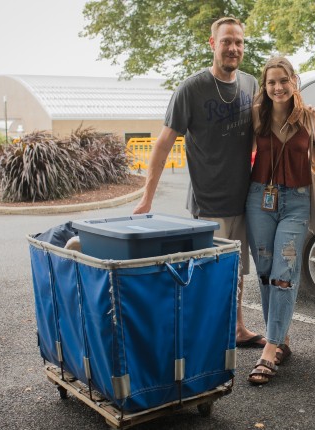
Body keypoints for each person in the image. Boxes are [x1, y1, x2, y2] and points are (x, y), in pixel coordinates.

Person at [132, 17, 265, 348]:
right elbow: (163, 144)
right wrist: (147, 197)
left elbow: (261, 134)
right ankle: (202, 339)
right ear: (212, 44)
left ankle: (237, 328)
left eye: (238, 42)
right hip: (209, 202)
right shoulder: (190, 89)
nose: (233, 48)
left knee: (236, 272)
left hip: (244, 199)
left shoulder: (250, 84)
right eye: (226, 42)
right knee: (207, 275)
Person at [245, 57, 315, 385]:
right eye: (272, 81)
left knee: (284, 274)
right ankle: (281, 339)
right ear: (266, 85)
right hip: (260, 199)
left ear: (294, 82)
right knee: (264, 272)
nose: (278, 87)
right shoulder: (255, 116)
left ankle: (269, 348)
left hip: (296, 202)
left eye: (283, 80)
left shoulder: (310, 118)